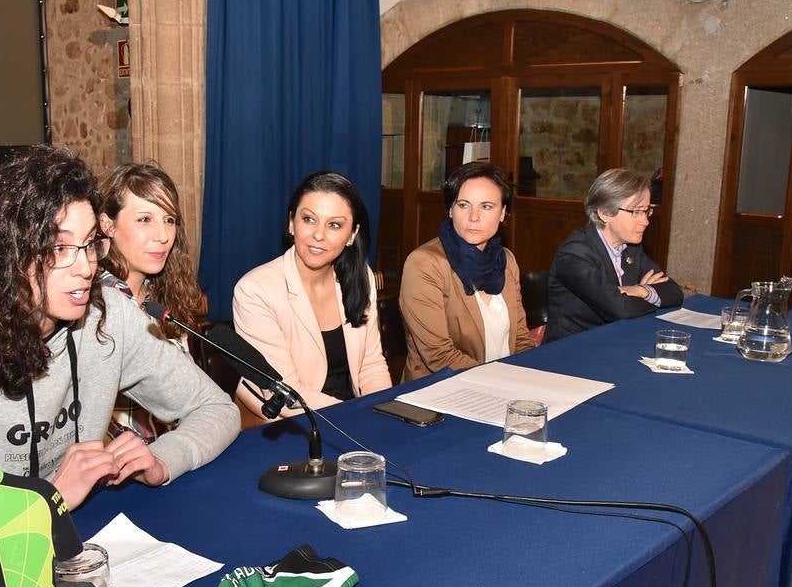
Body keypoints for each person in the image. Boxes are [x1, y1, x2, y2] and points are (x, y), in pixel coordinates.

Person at [0, 146, 239, 556]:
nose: (86, 267)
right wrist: (42, 501)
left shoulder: (108, 319)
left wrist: (165, 459)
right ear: (4, 254)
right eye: (58, 247)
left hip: (87, 542)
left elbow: (217, 409)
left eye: (90, 244)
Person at [231, 171, 392, 419]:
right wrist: (357, 418)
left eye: (334, 225)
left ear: (352, 235)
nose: (318, 235)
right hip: (288, 422)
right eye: (309, 219)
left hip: (354, 415)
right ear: (291, 222)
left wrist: (380, 413)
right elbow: (285, 394)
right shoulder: (255, 290)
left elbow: (371, 366)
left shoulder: (360, 276)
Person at [97, 163, 207, 441]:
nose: (162, 235)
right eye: (145, 219)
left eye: (169, 220)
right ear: (107, 225)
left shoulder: (162, 296)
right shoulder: (93, 302)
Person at [398, 162, 535, 381]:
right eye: (463, 205)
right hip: (438, 393)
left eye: (486, 206)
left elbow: (520, 339)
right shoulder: (424, 264)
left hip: (504, 385)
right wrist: (504, 380)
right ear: (450, 210)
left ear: (503, 213)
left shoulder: (506, 261)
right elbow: (439, 356)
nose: (473, 217)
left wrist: (533, 377)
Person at [545, 168, 683, 342]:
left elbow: (674, 292)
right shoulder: (575, 254)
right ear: (604, 213)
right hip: (572, 352)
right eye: (636, 212)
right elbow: (621, 309)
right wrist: (648, 296)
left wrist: (640, 291)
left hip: (615, 342)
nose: (645, 221)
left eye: (647, 211)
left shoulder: (631, 248)